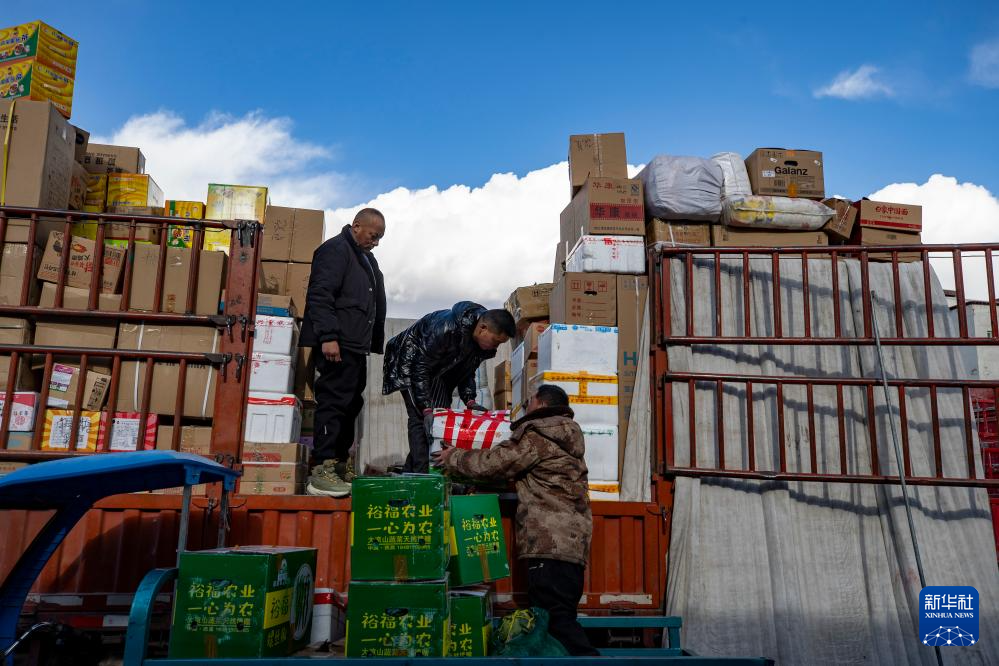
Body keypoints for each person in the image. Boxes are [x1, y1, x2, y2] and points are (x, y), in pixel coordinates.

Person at [431, 384, 597, 656]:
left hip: (549, 543)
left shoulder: (538, 435)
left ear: (541, 404)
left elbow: (495, 463)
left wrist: (454, 457)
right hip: (571, 542)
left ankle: (591, 661)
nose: (526, 406)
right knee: (557, 618)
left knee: (553, 619)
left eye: (530, 401)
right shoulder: (567, 436)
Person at [299, 208, 386, 497]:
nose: (376, 242)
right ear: (357, 226)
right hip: (338, 342)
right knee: (334, 402)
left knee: (351, 404)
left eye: (379, 238)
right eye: (373, 235)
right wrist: (328, 336)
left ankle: (338, 466)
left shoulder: (366, 258)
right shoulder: (335, 250)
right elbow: (320, 294)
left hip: (355, 345)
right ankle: (321, 469)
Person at [382, 302, 515, 472]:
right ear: (483, 328)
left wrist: (470, 400)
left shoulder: (479, 343)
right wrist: (426, 408)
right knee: (421, 418)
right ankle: (422, 474)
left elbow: (467, 371)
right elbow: (420, 367)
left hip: (437, 369)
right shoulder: (446, 328)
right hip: (409, 361)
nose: (496, 347)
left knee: (440, 418)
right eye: (496, 341)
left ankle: (411, 472)